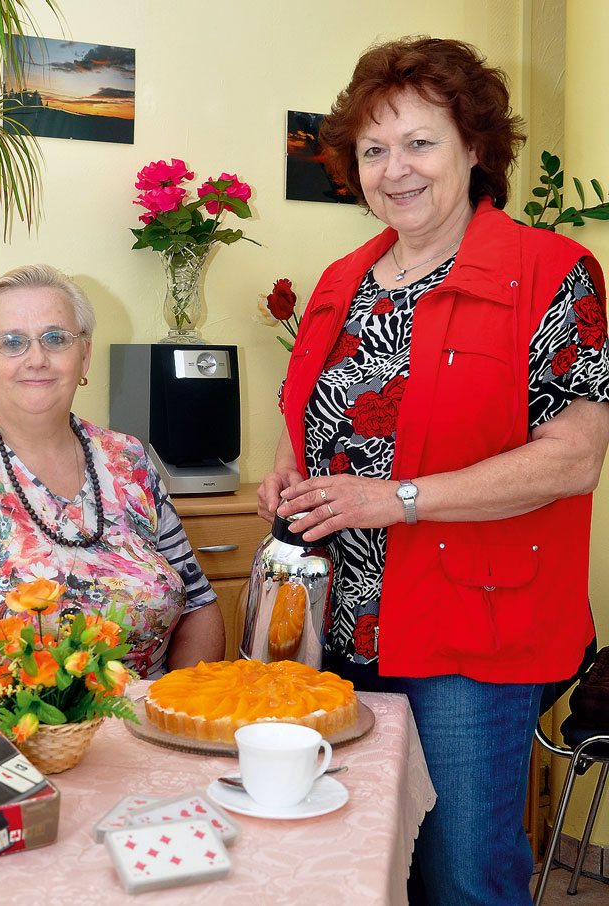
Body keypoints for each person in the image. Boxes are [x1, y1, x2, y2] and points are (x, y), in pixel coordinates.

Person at [258, 37, 609, 906]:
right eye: (374, 150)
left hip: (471, 631)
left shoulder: (551, 273)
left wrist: (397, 500)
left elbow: (573, 458)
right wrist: (285, 470)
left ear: (476, 149)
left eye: (421, 143)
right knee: (351, 856)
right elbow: (306, 407)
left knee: (461, 871)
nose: (395, 169)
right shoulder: (344, 279)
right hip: (339, 622)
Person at [0, 264, 225, 677]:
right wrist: (44, 667)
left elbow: (199, 606)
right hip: (13, 722)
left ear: (84, 355)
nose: (36, 359)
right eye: (12, 342)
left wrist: (175, 706)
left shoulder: (129, 458)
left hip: (142, 721)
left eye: (55, 339)